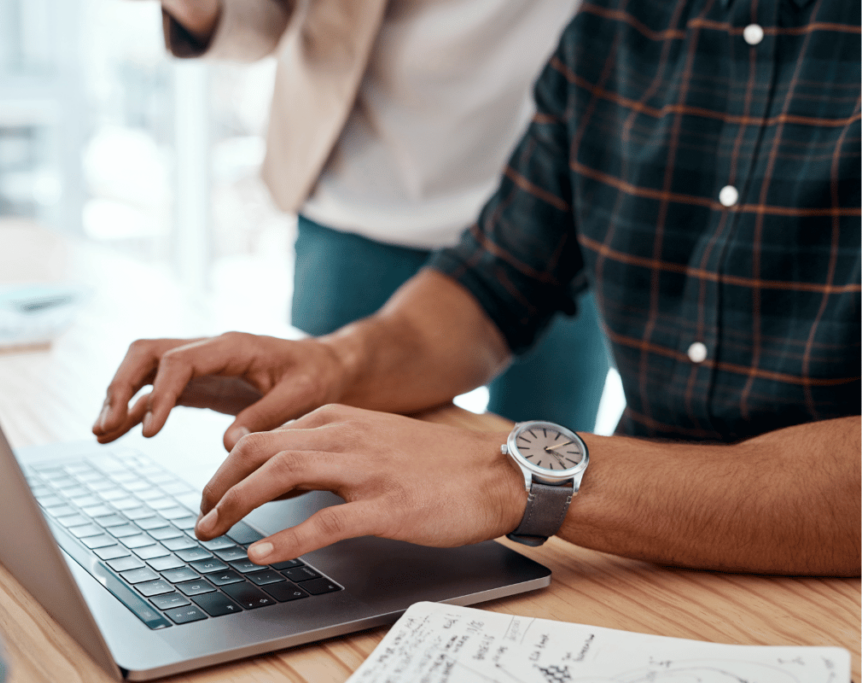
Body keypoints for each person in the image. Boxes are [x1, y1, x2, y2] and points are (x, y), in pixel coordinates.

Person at [97, 0, 861, 577]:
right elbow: (495, 278)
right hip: (647, 567)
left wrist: (513, 476)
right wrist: (334, 363)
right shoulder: (618, 24)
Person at [158, 0, 611, 429]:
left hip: (563, 216)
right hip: (359, 208)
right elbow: (263, 17)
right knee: (318, 469)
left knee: (554, 482)